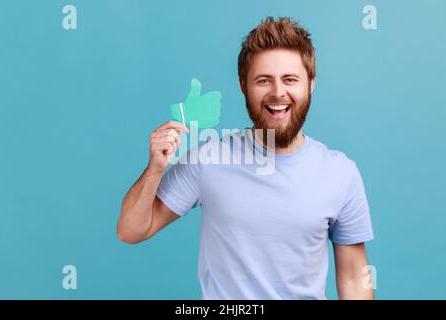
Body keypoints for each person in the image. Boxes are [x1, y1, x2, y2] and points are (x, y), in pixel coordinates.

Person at [117, 16, 374, 300]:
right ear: (243, 85)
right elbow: (130, 230)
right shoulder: (208, 159)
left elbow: (353, 277)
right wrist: (154, 170)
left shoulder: (340, 173)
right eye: (263, 80)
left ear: (310, 84)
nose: (278, 92)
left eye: (290, 79)